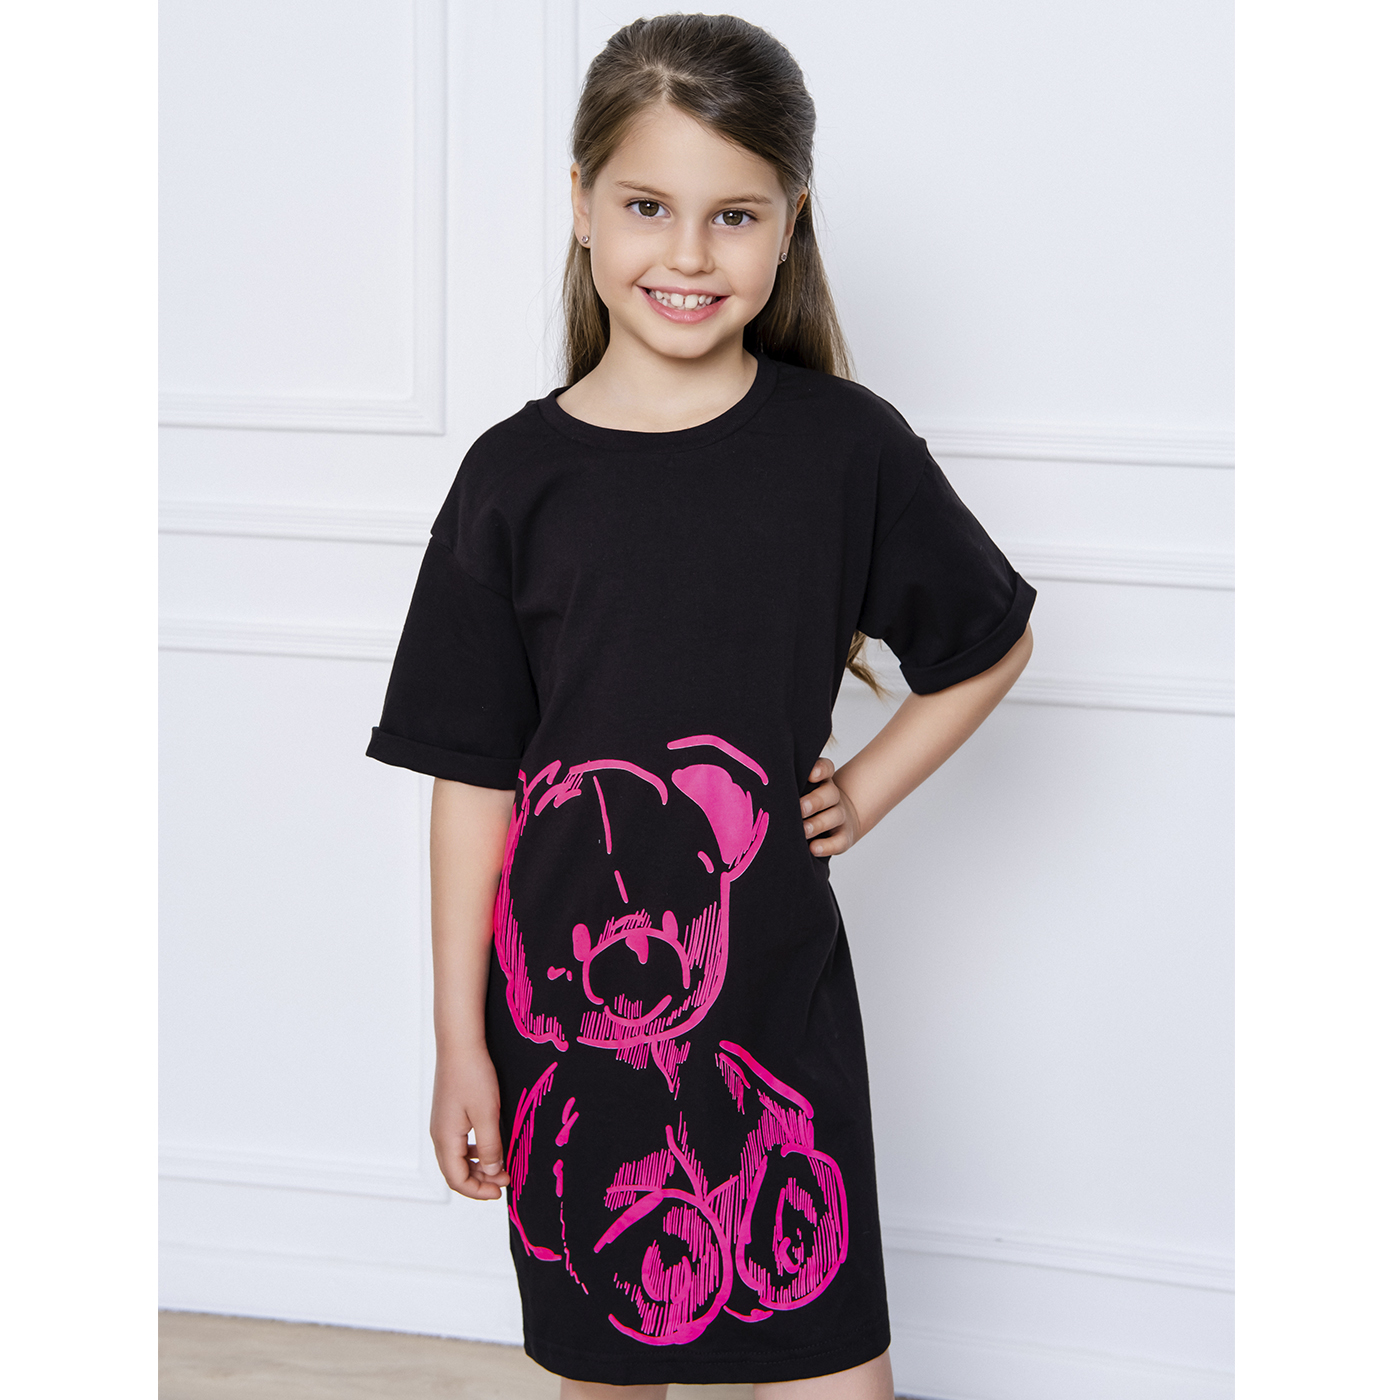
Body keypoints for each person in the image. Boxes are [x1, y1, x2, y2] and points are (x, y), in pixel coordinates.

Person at [367, 14, 1035, 1398]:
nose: (688, 254)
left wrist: (869, 787)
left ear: (791, 220)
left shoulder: (844, 448)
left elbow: (988, 639)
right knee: (610, 1372)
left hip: (779, 1006)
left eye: (734, 215)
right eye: (647, 207)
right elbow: (471, 780)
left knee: (834, 1370)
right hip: (557, 1034)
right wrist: (458, 1043)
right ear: (580, 204)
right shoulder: (511, 480)